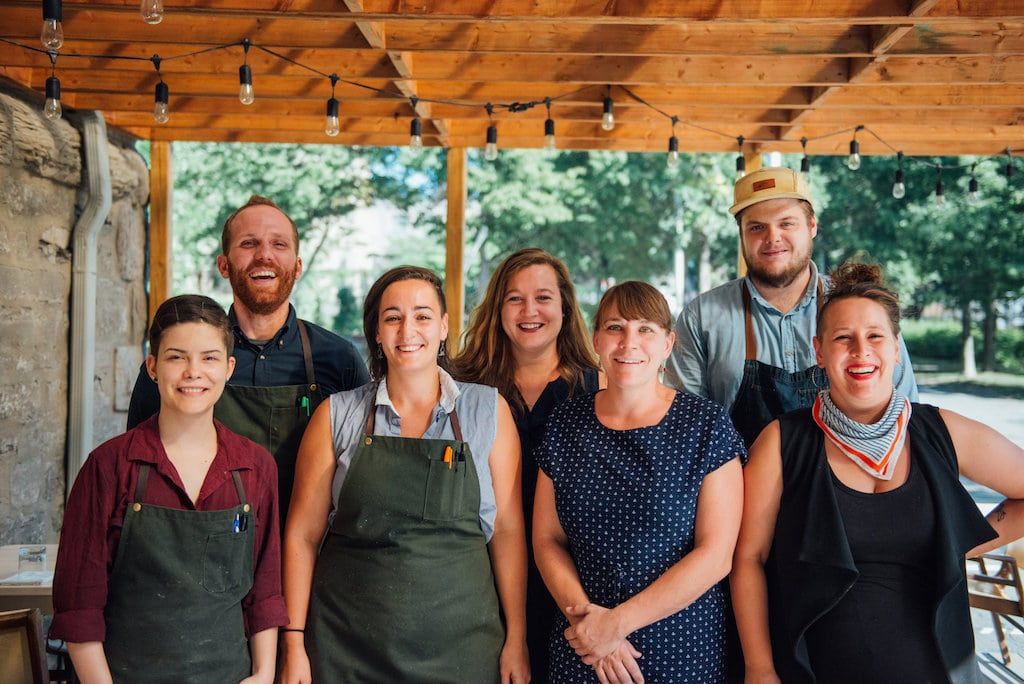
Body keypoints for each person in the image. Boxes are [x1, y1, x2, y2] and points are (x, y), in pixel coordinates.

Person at [731, 263, 1024, 683]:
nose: (861, 352)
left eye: (874, 337)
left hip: (939, 671)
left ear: (895, 347)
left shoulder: (943, 432)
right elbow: (749, 560)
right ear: (819, 350)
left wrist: (958, 542)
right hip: (813, 671)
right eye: (843, 339)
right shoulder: (781, 443)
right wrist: (759, 668)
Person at [280, 266, 530, 683]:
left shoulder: (488, 411)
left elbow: (507, 531)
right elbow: (301, 536)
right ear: (376, 332)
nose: (407, 330)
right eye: (392, 317)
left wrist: (517, 638)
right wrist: (293, 641)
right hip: (347, 651)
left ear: (445, 327)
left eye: (422, 316)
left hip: (464, 652)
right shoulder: (336, 415)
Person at [50, 294, 287, 684]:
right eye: (177, 357)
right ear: (153, 367)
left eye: (209, 358)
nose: (194, 372)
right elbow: (79, 604)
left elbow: (264, 590)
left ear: (229, 368)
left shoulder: (255, 467)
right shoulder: (108, 466)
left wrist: (262, 675)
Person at [533, 281, 745, 683]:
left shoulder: (707, 426)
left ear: (668, 343)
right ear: (596, 339)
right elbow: (547, 540)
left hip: (680, 650)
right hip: (581, 646)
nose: (629, 342)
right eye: (615, 327)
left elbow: (716, 555)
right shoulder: (565, 423)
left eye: (645, 329)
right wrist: (591, 629)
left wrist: (615, 625)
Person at [127, 196, 369, 525]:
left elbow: (359, 476)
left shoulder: (339, 359)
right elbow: (137, 464)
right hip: (200, 548)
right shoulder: (179, 363)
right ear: (224, 265)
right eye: (249, 243)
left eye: (278, 244)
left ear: (297, 266)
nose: (264, 255)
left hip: (304, 553)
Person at [666, 167, 918, 448]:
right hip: (743, 487)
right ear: (742, 235)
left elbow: (906, 415)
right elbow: (685, 430)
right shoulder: (702, 317)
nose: (772, 238)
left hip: (849, 487)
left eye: (786, 223)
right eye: (757, 227)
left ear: (812, 226)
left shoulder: (860, 307)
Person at [450, 247, 601, 682]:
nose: (529, 310)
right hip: (482, 578)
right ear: (497, 310)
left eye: (543, 298)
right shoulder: (463, 388)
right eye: (515, 299)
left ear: (565, 307)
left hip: (573, 580)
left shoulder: (598, 388)